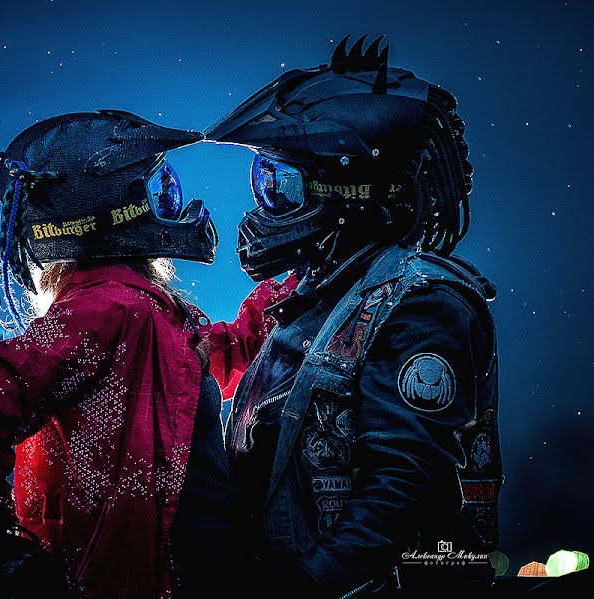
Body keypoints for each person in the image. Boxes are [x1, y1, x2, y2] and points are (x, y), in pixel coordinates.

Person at [0, 110, 294, 598]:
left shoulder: (141, 311)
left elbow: (222, 357)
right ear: (111, 208)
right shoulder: (113, 308)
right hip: (161, 579)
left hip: (181, 570)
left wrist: (299, 286)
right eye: (159, 191)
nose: (175, 204)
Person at [203, 35, 502, 597]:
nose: (263, 204)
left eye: (280, 184)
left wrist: (302, 585)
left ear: (347, 190)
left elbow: (405, 486)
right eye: (261, 180)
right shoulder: (312, 296)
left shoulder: (421, 303)